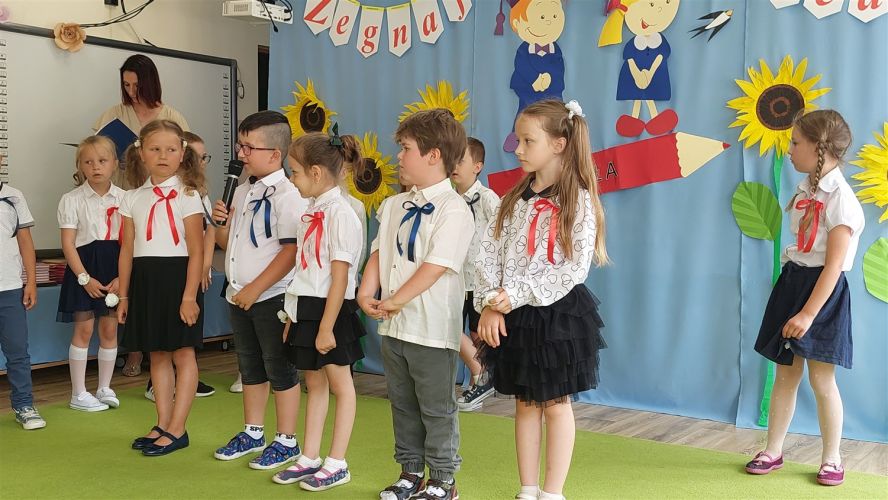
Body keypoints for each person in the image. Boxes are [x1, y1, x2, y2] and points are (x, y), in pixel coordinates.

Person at [475, 99, 608, 500]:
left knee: (555, 403)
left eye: (527, 140)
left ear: (559, 144)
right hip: (513, 313)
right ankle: (528, 488)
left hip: (556, 316)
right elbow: (487, 253)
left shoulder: (578, 200)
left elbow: (573, 269)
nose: (517, 149)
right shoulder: (512, 199)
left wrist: (511, 297)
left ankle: (552, 492)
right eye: (518, 140)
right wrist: (490, 302)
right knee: (526, 403)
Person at [745, 110, 865, 487]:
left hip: (822, 292)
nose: (790, 149)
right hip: (794, 282)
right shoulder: (806, 189)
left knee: (821, 379)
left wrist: (809, 314)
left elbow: (833, 267)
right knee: (785, 372)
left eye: (796, 143)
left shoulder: (841, 200)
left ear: (818, 147)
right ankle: (773, 450)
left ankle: (832, 458)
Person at [358, 109, 473, 500]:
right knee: (402, 403)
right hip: (395, 328)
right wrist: (366, 291)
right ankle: (410, 472)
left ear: (433, 155)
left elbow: (436, 266)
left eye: (406, 149)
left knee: (436, 407)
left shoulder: (453, 208)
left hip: (432, 328)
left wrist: (395, 299)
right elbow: (378, 251)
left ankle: (443, 479)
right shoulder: (393, 205)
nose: (399, 157)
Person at [211, 111, 307, 470]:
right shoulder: (241, 190)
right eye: (240, 145)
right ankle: (253, 432)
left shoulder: (289, 195)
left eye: (249, 147)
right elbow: (229, 244)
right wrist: (219, 224)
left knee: (279, 366)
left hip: (272, 295)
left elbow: (290, 251)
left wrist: (256, 288)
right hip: (239, 293)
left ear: (275, 154)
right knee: (249, 364)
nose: (241, 154)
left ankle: (287, 439)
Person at [273, 130, 366, 491]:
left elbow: (340, 278)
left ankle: (337, 462)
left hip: (332, 310)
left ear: (315, 172)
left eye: (294, 172)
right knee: (313, 382)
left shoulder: (342, 213)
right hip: (307, 307)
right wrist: (291, 315)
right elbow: (304, 270)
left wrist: (327, 326)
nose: (291, 179)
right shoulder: (310, 211)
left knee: (341, 385)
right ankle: (309, 457)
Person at [118, 119, 206, 456]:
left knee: (182, 353)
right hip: (145, 280)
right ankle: (163, 422)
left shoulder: (188, 195)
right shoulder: (131, 198)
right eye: (155, 149)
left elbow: (197, 251)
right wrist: (124, 295)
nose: (163, 156)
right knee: (156, 353)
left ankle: (178, 428)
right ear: (141, 153)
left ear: (182, 153)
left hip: (179, 280)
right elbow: (127, 249)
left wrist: (189, 296)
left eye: (170, 149)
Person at [143, 131, 216, 401]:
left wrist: (206, 265)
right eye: (196, 156)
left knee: (185, 341)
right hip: (160, 273)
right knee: (160, 344)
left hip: (188, 272)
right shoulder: (145, 194)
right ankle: (157, 385)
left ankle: (184, 383)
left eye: (204, 157)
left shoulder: (196, 195)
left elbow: (208, 232)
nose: (200, 162)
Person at [56, 135, 125, 412]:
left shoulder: (126, 198)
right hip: (83, 269)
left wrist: (122, 277)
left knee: (109, 328)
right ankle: (79, 392)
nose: (96, 167)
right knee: (84, 329)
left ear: (115, 164)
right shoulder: (71, 200)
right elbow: (68, 244)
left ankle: (105, 387)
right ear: (80, 166)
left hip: (115, 268)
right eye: (88, 162)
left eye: (102, 160)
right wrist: (84, 279)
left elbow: (130, 244)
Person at [450, 137, 499, 412]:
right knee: (452, 328)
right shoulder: (450, 200)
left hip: (480, 281)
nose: (455, 166)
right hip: (457, 279)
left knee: (477, 333)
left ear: (477, 166)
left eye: (461, 160)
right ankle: (479, 376)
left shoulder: (487, 198)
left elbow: (502, 234)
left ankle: (479, 381)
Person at [0, 157, 46, 430]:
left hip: (10, 289)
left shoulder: (13, 197)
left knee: (17, 351)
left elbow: (26, 242)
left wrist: (31, 282)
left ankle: (24, 405)